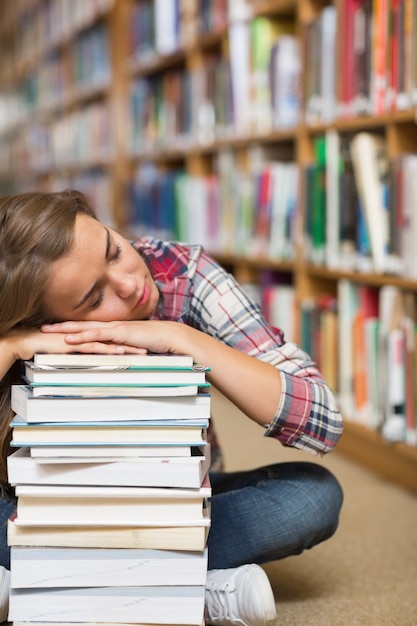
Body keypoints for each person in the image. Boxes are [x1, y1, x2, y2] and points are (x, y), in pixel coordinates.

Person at [0, 190, 344, 626]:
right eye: (92, 300)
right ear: (41, 319)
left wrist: (185, 339)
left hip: (173, 498)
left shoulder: (184, 272)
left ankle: (44, 581)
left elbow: (324, 420)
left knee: (314, 496)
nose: (130, 283)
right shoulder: (17, 323)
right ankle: (194, 589)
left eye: (114, 250)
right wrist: (13, 346)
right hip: (49, 505)